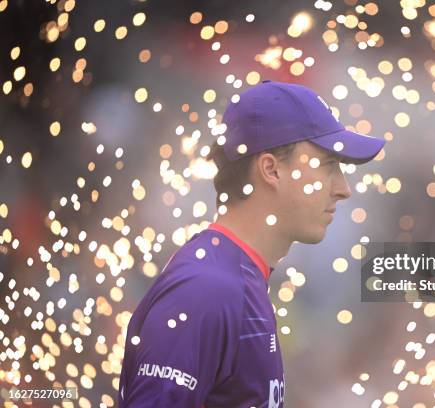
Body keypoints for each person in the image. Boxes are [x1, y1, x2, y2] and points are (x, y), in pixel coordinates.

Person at [117, 80, 385, 407]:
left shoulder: (236, 279)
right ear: (271, 170)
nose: (344, 189)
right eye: (329, 166)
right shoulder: (206, 290)